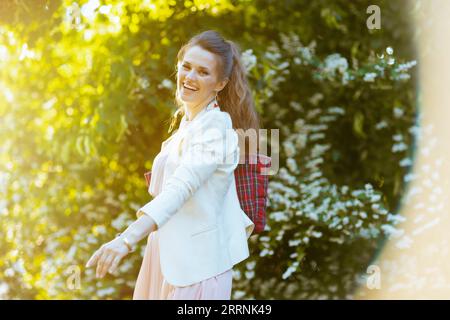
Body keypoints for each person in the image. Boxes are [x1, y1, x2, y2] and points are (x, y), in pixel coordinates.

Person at [86, 30, 260, 300]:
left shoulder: (216, 127)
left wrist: (126, 239)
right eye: (186, 66)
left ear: (220, 83)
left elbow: (181, 187)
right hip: (164, 257)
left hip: (196, 268)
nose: (190, 77)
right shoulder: (188, 123)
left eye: (203, 72)